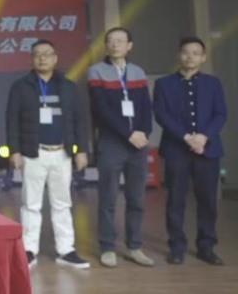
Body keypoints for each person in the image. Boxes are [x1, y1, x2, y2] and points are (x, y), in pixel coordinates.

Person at [6, 39, 90, 269]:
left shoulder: (68, 86)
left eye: (47, 54)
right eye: (37, 54)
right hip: (33, 153)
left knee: (62, 203)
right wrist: (14, 151)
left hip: (62, 153)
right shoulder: (20, 87)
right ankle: (29, 250)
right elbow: (11, 121)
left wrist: (82, 150)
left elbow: (80, 121)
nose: (42, 58)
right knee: (30, 203)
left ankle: (66, 250)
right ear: (31, 59)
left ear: (55, 58)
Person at [154, 36, 226, 266]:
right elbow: (162, 115)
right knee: (176, 200)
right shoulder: (164, 84)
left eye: (196, 53)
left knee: (207, 201)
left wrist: (203, 137)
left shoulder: (213, 83)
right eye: (186, 52)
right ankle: (177, 247)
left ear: (203, 58)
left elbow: (220, 114)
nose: (190, 57)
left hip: (208, 149)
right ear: (179, 55)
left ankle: (206, 247)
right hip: (176, 149)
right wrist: (186, 137)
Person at [88, 27, 154, 268]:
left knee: (137, 198)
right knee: (108, 198)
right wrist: (128, 134)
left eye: (120, 40)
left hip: (138, 144)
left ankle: (135, 246)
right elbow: (101, 110)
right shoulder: (96, 71)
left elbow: (146, 107)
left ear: (129, 46)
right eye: (110, 40)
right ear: (105, 46)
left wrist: (143, 132)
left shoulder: (138, 72)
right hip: (112, 143)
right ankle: (107, 247)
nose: (114, 44)